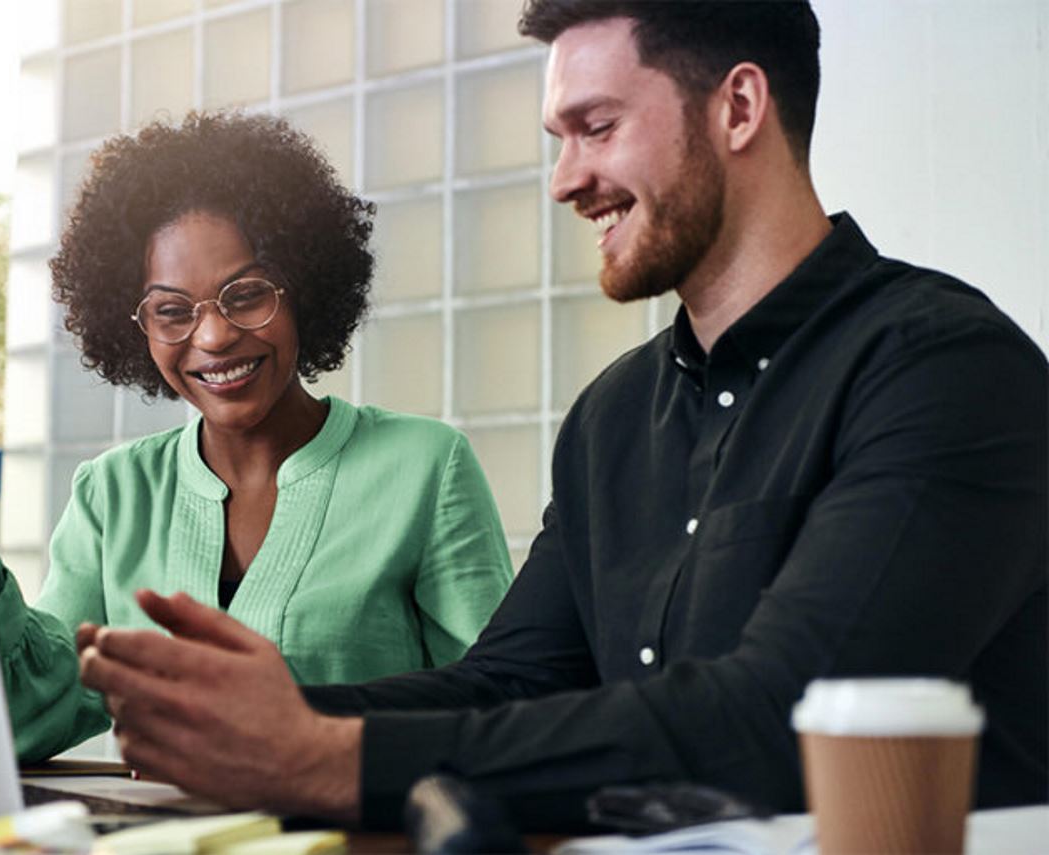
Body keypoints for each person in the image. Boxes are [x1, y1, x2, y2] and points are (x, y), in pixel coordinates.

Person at [76, 0, 1048, 830]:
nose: (563, 179)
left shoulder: (942, 369)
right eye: (558, 141)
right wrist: (260, 715)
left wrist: (326, 757)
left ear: (737, 107)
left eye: (595, 127)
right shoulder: (614, 417)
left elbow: (776, 717)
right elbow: (507, 683)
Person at [0, 111, 513, 763]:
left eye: (246, 294)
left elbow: (500, 708)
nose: (213, 337)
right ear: (135, 327)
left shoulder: (425, 467)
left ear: (305, 288)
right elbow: (39, 711)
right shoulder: (112, 494)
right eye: (172, 310)